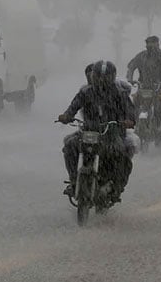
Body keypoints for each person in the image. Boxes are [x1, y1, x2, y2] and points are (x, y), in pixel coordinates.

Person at [58, 61, 136, 202]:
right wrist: (66, 116)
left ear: (112, 76)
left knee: (122, 153)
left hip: (112, 133)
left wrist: (129, 120)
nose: (101, 79)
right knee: (70, 146)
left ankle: (116, 186)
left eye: (105, 76)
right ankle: (74, 180)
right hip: (89, 131)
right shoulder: (85, 92)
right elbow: (73, 106)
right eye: (98, 76)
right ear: (93, 76)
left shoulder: (120, 93)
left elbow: (130, 111)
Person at [126, 35, 161, 133]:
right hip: (145, 87)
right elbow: (131, 67)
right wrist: (130, 79)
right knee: (134, 101)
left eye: (153, 43)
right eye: (149, 43)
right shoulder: (141, 56)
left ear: (158, 44)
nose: (151, 45)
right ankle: (133, 123)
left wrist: (157, 56)